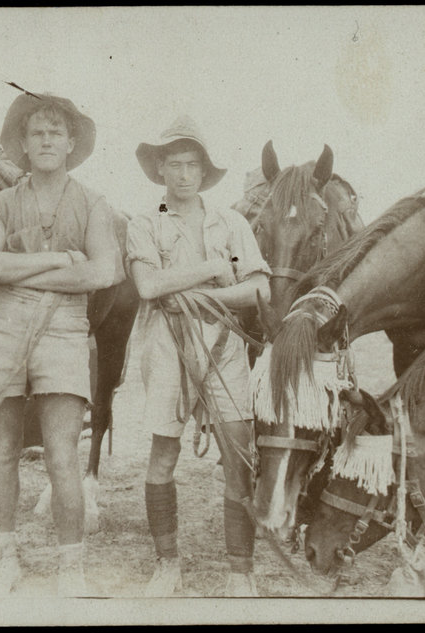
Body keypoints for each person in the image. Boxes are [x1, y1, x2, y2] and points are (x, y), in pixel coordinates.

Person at [0, 92, 125, 597]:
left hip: (65, 327)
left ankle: (70, 567)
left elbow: (106, 270)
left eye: (57, 132)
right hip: (3, 324)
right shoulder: (1, 203)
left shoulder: (93, 203)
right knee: (1, 448)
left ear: (71, 144)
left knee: (61, 454)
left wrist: (28, 272)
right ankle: (4, 561)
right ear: (24, 146)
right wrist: (56, 262)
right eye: (37, 133)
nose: (47, 140)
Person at [126, 116, 272, 596]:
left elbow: (258, 287)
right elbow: (149, 287)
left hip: (225, 347)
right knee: (163, 454)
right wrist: (211, 269)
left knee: (239, 456)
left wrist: (203, 296)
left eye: (192, 165)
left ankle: (240, 571)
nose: (184, 174)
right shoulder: (146, 224)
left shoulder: (231, 223)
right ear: (161, 170)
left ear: (203, 171)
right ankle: (166, 565)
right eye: (175, 164)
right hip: (167, 347)